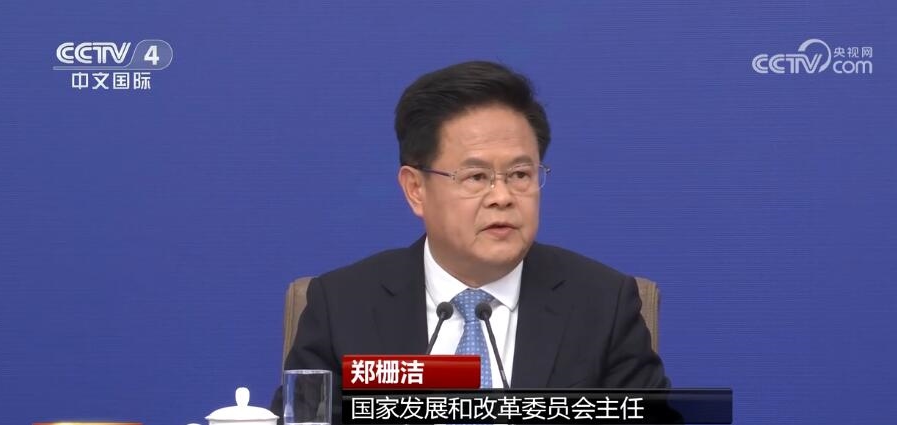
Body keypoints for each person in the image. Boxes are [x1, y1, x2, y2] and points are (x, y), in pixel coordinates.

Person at [270, 60, 672, 423]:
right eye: (476, 177)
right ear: (415, 190)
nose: (502, 197)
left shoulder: (603, 305)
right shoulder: (343, 306)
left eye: (520, 174)